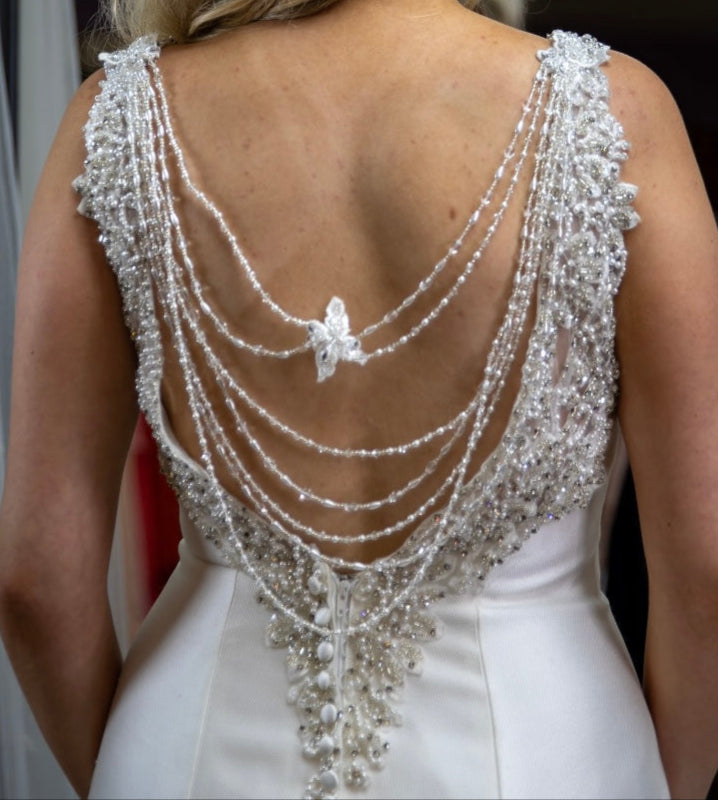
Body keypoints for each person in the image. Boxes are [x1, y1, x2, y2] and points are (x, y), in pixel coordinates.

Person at [1, 0, 717, 798]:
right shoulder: (615, 113)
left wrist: (132, 770)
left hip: (191, 752)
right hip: (548, 755)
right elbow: (707, 574)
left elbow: (36, 588)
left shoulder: (116, 119)